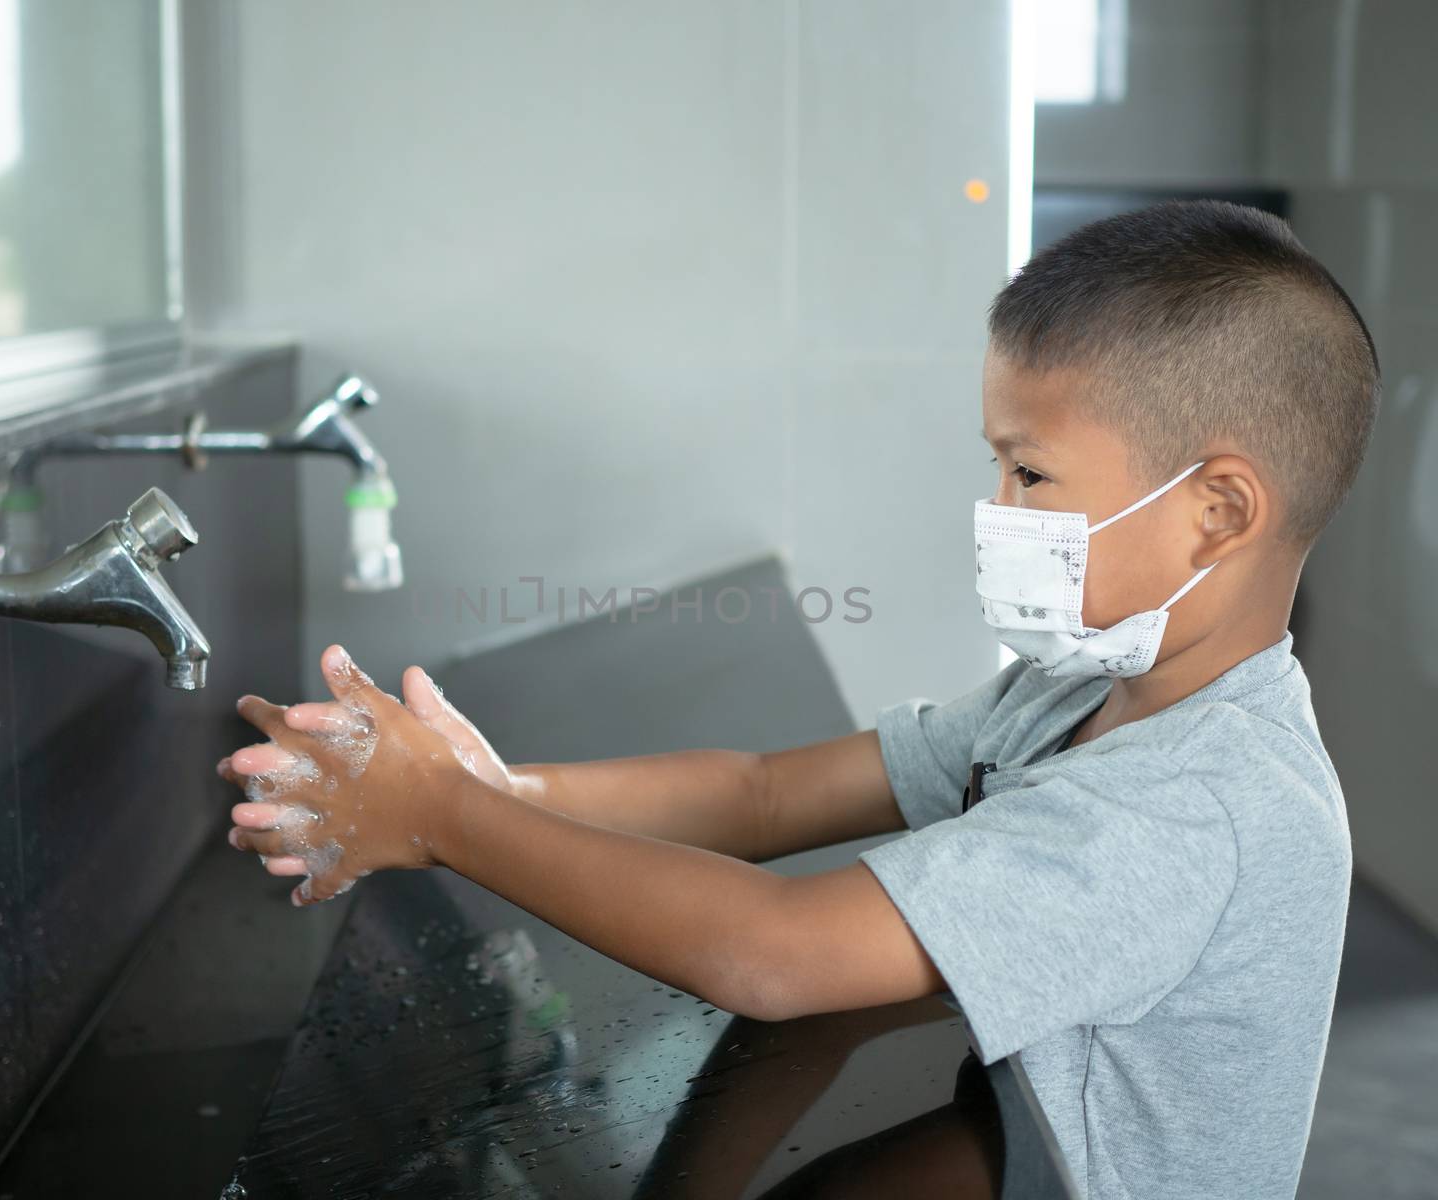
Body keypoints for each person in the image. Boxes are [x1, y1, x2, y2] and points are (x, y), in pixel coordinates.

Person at [222, 201, 1375, 1198]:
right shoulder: (1074, 692)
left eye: (1030, 473)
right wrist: (504, 789)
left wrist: (446, 820)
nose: (998, 509)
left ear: (1217, 512)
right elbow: (765, 794)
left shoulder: (1194, 808)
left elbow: (771, 955)